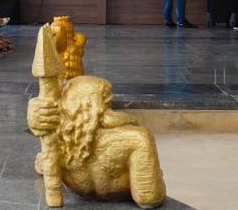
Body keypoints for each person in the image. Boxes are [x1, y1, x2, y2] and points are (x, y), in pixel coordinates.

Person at [27, 75, 166, 208]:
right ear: (105, 101)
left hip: (77, 192)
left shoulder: (58, 137)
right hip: (119, 193)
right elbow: (149, 199)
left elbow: (44, 124)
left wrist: (38, 115)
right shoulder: (136, 138)